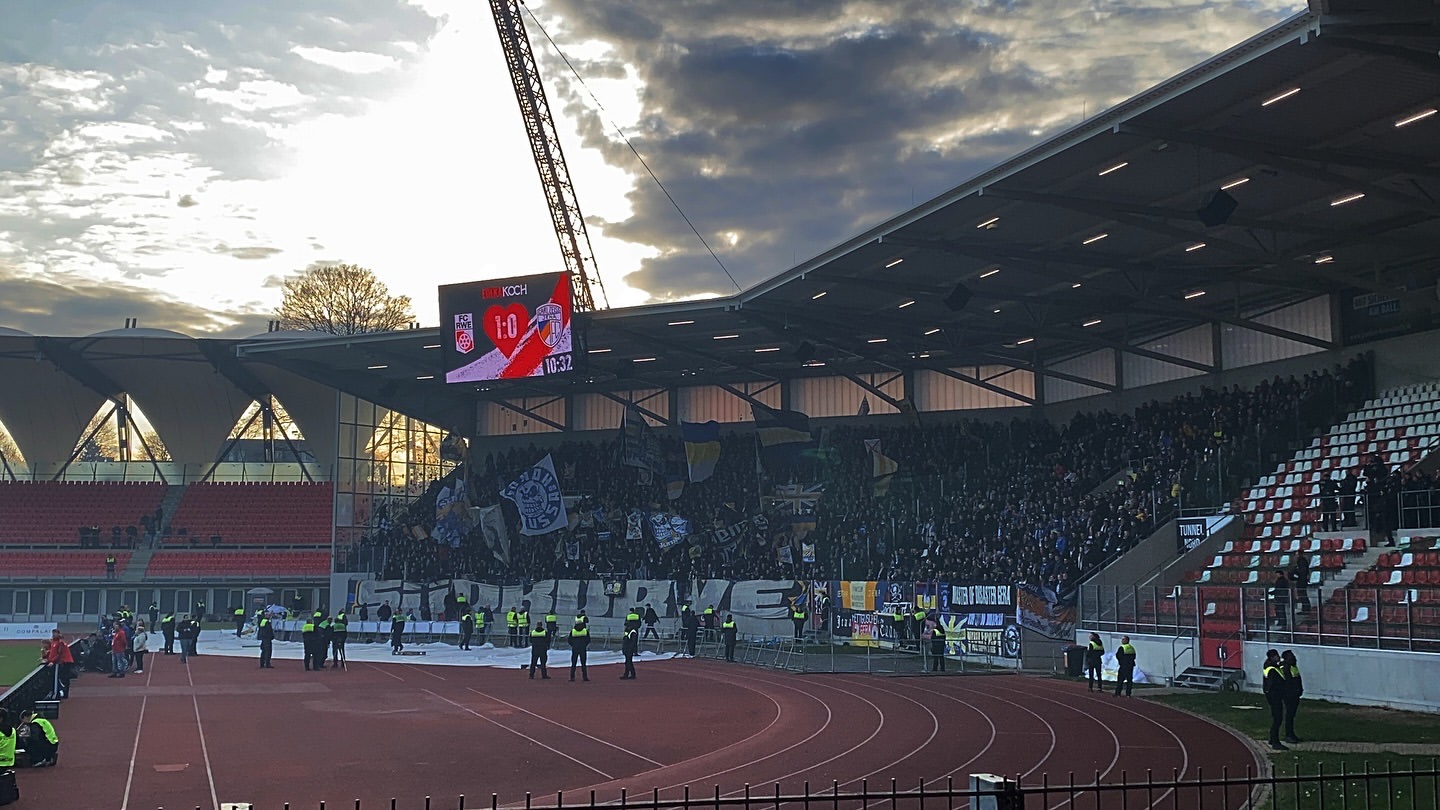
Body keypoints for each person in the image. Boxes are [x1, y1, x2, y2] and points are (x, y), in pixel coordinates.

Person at [1262, 649, 1289, 750]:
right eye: (1276, 656)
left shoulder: (1271, 667)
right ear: (1272, 657)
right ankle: (1275, 741)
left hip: (1273, 697)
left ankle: (1272, 738)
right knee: (1277, 719)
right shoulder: (1272, 669)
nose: (1278, 657)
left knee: (1276, 718)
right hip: (1275, 698)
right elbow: (1274, 684)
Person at [41, 630, 74, 700]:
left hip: (64, 661)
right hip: (63, 661)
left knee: (61, 678)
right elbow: (53, 653)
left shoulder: (59, 642)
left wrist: (52, 661)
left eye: (55, 633)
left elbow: (58, 654)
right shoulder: (54, 642)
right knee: (61, 678)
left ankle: (58, 694)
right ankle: (61, 692)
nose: (53, 635)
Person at [1281, 650, 1304, 744]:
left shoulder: (1293, 667)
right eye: (1292, 656)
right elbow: (1288, 682)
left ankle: (1291, 734)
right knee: (1289, 715)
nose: (1294, 657)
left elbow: (1297, 679)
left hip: (1295, 694)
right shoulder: (1286, 667)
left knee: (1292, 715)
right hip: (1289, 695)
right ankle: (1288, 735)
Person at [568, 613, 590, 682]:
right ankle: (585, 677)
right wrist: (584, 645)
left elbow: (569, 640)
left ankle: (572, 677)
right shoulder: (585, 631)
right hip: (582, 648)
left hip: (575, 648)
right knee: (583, 663)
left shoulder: (573, 631)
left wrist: (574, 645)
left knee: (573, 663)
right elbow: (588, 640)